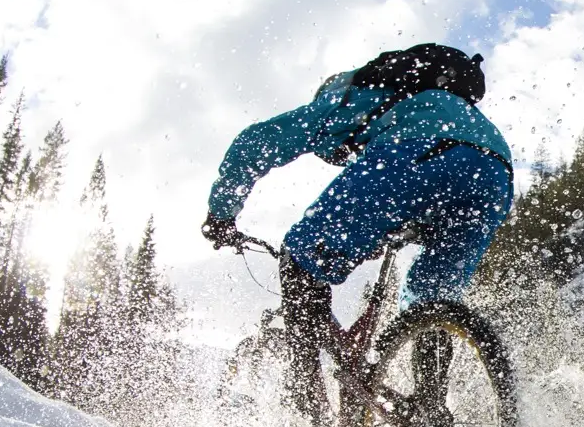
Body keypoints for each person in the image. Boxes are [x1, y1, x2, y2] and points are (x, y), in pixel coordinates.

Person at [200, 43, 513, 308]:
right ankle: (432, 376)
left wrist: (221, 216)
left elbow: (254, 144)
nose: (344, 157)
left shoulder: (346, 99)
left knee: (302, 257)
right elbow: (454, 165)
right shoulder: (439, 105)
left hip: (419, 151)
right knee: (429, 299)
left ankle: (304, 382)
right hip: (496, 169)